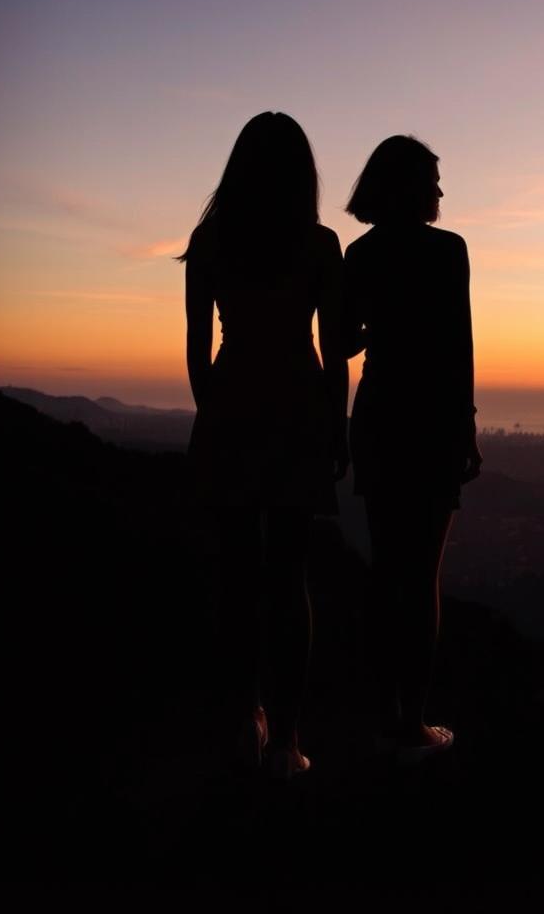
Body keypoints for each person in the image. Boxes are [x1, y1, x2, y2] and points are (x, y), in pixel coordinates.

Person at [178, 112, 348, 779]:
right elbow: (335, 355)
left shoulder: (211, 240)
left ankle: (241, 722)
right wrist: (337, 429)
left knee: (237, 580)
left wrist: (214, 414)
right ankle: (287, 740)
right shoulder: (319, 244)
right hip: (299, 408)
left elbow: (197, 351)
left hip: (232, 404)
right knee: (288, 579)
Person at [343, 135, 482, 760]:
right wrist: (467, 429)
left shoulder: (360, 253)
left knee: (386, 571)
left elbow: (341, 342)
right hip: (429, 421)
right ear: (405, 185)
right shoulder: (449, 252)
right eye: (432, 179)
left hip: (378, 417)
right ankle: (414, 723)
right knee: (421, 576)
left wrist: (385, 320)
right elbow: (459, 347)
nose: (441, 191)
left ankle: (381, 715)